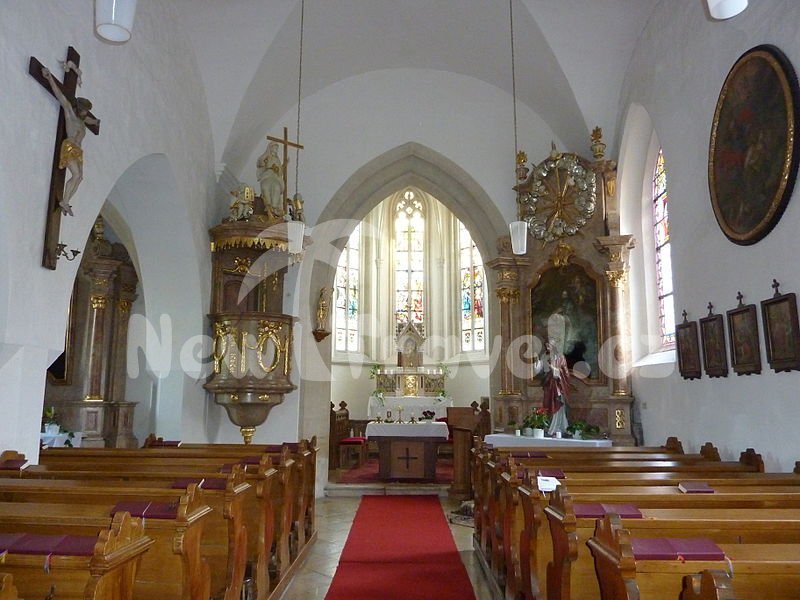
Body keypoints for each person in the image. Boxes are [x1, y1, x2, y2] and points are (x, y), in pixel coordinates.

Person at [41, 66, 99, 216]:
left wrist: (97, 121)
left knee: (79, 178)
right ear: (79, 108)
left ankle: (66, 202)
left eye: (87, 111)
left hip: (78, 151)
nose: (86, 113)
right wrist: (49, 78)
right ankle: (64, 202)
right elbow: (61, 96)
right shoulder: (70, 115)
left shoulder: (83, 121)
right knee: (76, 175)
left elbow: (92, 121)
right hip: (69, 146)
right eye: (84, 110)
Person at [541, 340, 570, 435]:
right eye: (546, 346)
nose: (547, 348)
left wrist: (554, 370)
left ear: (554, 346)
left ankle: (559, 427)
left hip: (558, 386)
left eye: (549, 346)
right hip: (550, 386)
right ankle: (551, 427)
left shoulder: (561, 357)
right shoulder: (547, 357)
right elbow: (544, 372)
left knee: (558, 405)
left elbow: (565, 372)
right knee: (549, 405)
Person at [257, 140, 285, 215]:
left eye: (277, 148)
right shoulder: (266, 156)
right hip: (267, 175)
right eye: (275, 147)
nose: (276, 149)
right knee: (265, 186)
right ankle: (268, 206)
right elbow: (260, 163)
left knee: (276, 187)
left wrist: (281, 167)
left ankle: (274, 207)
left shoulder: (277, 159)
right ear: (270, 148)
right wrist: (264, 161)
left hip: (275, 176)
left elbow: (280, 171)